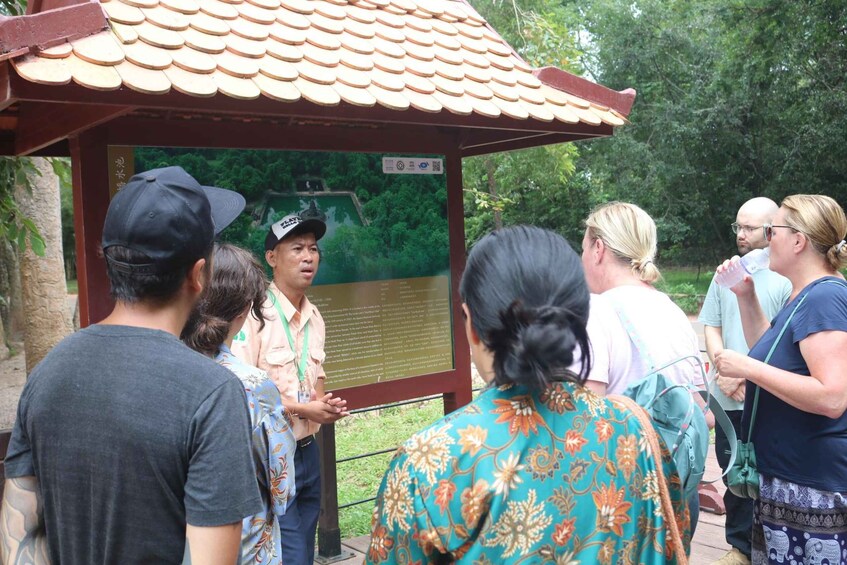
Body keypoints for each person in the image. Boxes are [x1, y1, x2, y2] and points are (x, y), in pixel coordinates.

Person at [366, 225, 691, 564]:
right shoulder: (632, 429)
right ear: (579, 318)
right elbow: (671, 536)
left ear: (471, 325)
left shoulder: (430, 461)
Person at [0, 166, 261, 564]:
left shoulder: (49, 372)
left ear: (111, 264)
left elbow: (20, 536)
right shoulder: (211, 393)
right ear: (199, 275)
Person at [713, 194, 847, 565]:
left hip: (810, 484)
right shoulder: (802, 294)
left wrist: (746, 368)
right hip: (788, 479)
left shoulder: (825, 298)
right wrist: (745, 294)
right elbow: (771, 357)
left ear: (799, 241)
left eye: (773, 230)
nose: (766, 238)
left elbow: (833, 396)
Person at [581, 201, 711, 529]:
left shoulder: (596, 311)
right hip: (679, 486)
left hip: (626, 495)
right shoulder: (671, 309)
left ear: (598, 248)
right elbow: (701, 410)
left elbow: (585, 416)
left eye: (582, 247)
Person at [233, 213, 349, 565]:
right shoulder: (253, 315)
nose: (308, 257)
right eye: (296, 248)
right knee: (290, 548)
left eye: (313, 249)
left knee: (304, 539)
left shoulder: (315, 316)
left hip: (307, 448)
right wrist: (302, 409)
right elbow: (243, 390)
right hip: (269, 454)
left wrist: (322, 404)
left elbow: (316, 376)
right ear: (272, 258)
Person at [182, 243, 297, 564]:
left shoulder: (165, 368)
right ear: (246, 308)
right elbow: (282, 486)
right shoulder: (252, 386)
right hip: (244, 550)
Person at [698, 198, 791, 565]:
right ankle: (738, 547)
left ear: (771, 231)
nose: (741, 234)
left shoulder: (786, 277)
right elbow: (711, 326)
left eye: (749, 228)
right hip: (727, 397)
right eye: (738, 226)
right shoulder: (726, 273)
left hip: (767, 397)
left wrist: (749, 379)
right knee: (732, 473)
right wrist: (723, 371)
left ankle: (769, 546)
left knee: (766, 474)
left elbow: (784, 344)